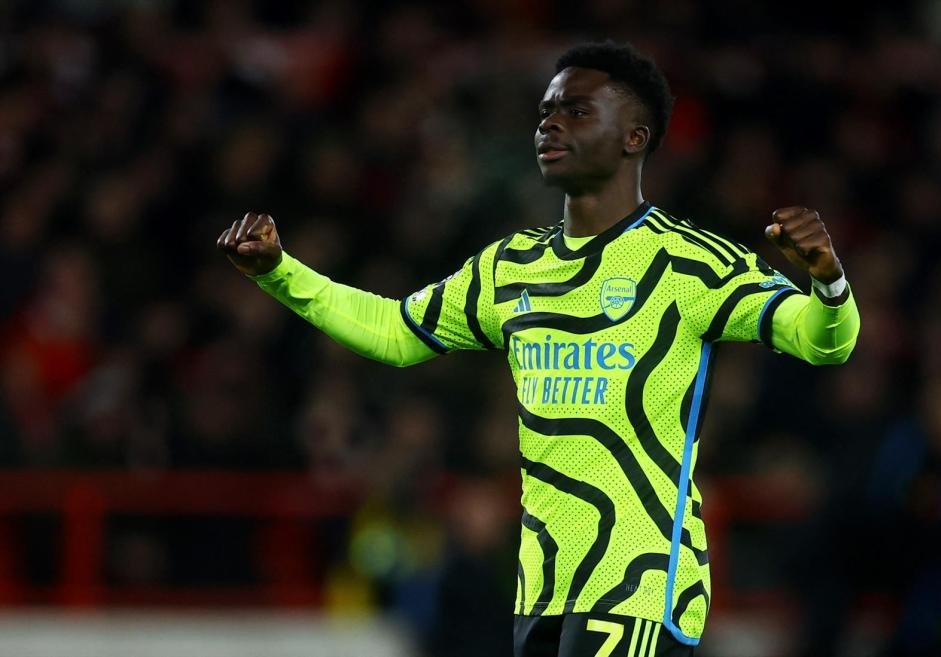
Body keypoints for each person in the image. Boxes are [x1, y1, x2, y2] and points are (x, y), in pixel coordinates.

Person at [217, 41, 860, 657]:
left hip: (637, 582)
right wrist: (281, 271)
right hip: (541, 586)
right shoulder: (512, 266)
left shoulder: (689, 263)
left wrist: (828, 280)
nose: (550, 125)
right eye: (547, 110)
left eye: (576, 111)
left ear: (635, 137)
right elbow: (393, 332)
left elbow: (822, 341)